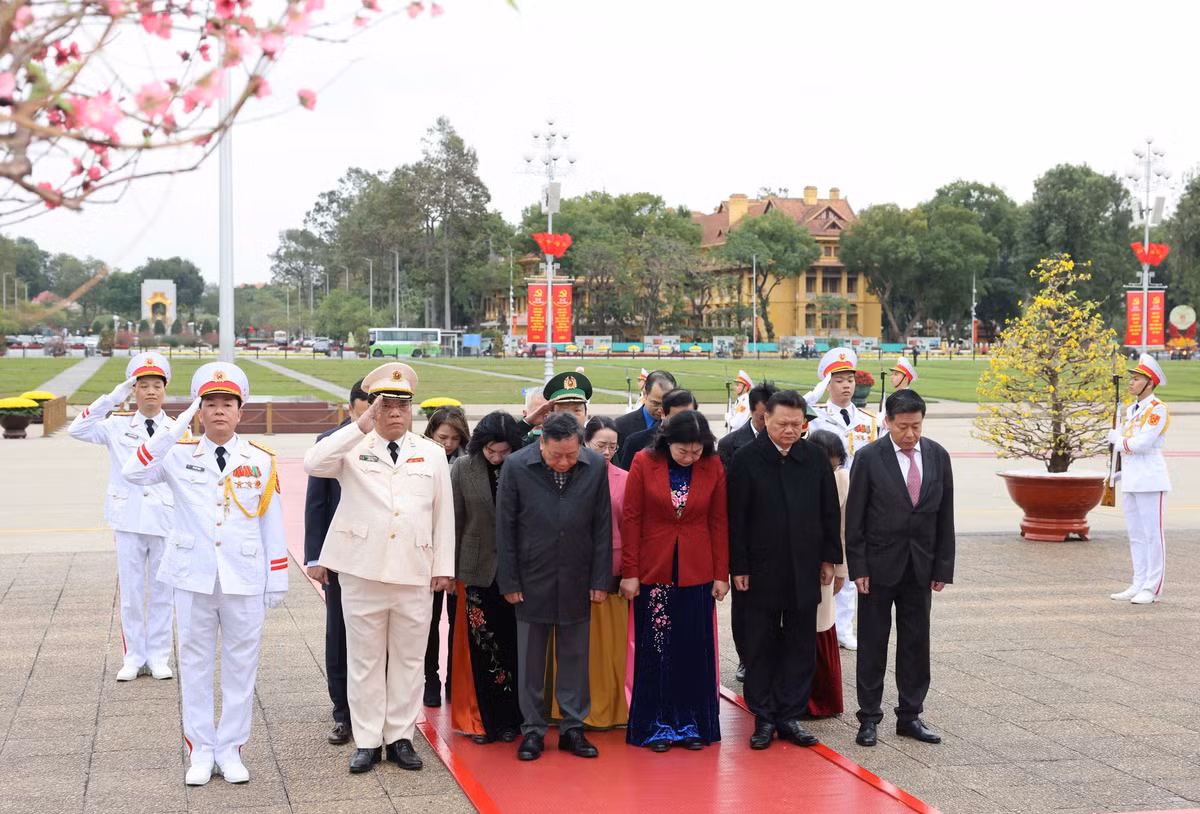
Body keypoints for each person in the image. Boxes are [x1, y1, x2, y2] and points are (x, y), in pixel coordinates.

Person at [122, 362, 287, 786]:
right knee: (194, 665)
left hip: (244, 577)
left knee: (240, 666)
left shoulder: (260, 460)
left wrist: (278, 576)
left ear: (239, 411)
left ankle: (230, 749)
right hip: (193, 575)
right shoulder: (177, 454)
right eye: (209, 404)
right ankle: (200, 750)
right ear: (198, 409)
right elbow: (134, 471)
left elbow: (270, 521)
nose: (218, 411)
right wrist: (174, 429)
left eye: (226, 404)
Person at [303, 362, 454, 774]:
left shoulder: (432, 453)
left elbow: (444, 516)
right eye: (386, 406)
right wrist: (361, 424)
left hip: (414, 571)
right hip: (362, 570)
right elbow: (314, 463)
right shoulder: (352, 445)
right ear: (372, 408)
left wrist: (443, 567)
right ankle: (368, 739)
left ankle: (400, 737)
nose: (394, 414)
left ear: (411, 411)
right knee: (365, 659)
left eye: (401, 407)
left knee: (408, 659)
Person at [727, 390, 841, 751]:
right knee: (759, 643)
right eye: (783, 424)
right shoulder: (747, 458)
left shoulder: (814, 458)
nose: (790, 430)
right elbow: (736, 518)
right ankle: (762, 716)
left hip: (804, 565)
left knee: (800, 643)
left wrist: (829, 560)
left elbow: (829, 514)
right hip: (759, 569)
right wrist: (738, 565)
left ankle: (790, 715)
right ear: (766, 421)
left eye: (797, 424)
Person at [495, 412, 612, 762]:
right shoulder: (516, 466)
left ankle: (572, 728)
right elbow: (505, 527)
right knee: (531, 659)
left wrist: (599, 579)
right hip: (531, 577)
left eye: (571, 455)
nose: (564, 462)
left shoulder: (594, 466)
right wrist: (510, 580)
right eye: (556, 455)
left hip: (577, 576)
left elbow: (602, 526)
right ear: (541, 442)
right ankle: (532, 730)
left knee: (575, 657)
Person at [846, 389, 955, 748]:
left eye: (916, 427)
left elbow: (945, 516)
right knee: (873, 643)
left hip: (919, 567)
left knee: (915, 643)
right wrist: (858, 566)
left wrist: (942, 565)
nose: (910, 435)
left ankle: (910, 715)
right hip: (877, 567)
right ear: (887, 421)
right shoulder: (868, 457)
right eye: (903, 427)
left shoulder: (938, 456)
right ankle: (869, 718)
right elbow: (855, 518)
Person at [621, 410, 729, 751]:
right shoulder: (643, 461)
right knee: (656, 650)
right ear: (668, 443)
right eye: (683, 451)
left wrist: (720, 574)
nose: (690, 457)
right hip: (654, 571)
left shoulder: (712, 465)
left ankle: (692, 724)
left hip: (697, 570)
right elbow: (632, 518)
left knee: (693, 649)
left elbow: (719, 520)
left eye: (697, 451)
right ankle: (656, 726)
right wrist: (630, 573)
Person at [69, 352, 177, 683]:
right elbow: (77, 429)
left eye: (156, 385)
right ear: (133, 390)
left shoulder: (175, 429)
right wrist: (113, 397)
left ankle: (159, 656)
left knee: (162, 592)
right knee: (131, 592)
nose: (150, 392)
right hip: (128, 517)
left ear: (164, 390)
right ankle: (133, 656)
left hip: (164, 519)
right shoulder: (116, 425)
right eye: (142, 385)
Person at [449, 410, 524, 743]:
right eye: (490, 451)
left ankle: (512, 719)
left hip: (514, 570)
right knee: (480, 647)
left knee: (513, 644)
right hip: (475, 569)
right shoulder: (463, 468)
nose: (496, 457)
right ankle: (479, 720)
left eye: (502, 452)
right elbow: (454, 522)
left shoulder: (521, 468)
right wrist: (448, 571)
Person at [304, 378, 370, 746]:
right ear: (351, 410)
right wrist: (315, 557)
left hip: (378, 558)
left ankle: (377, 711)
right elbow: (316, 505)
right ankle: (343, 713)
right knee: (341, 635)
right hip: (340, 559)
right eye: (364, 415)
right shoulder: (328, 445)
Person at [807, 347, 879, 652]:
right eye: (838, 380)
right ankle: (825, 623)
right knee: (827, 563)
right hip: (827, 498)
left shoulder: (869, 419)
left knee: (851, 565)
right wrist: (814, 395)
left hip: (859, 499)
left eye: (850, 379)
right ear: (827, 384)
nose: (847, 385)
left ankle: (845, 626)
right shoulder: (815, 418)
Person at [717, 380, 778, 684]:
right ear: (754, 411)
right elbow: (729, 496)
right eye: (764, 416)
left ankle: (771, 654)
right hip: (743, 537)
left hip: (777, 539)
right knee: (744, 604)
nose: (769, 423)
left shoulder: (787, 439)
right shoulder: (731, 445)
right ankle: (745, 658)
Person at [579, 414, 631, 729]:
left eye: (613, 446)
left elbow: (630, 527)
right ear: (586, 443)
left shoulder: (625, 479)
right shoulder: (569, 473)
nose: (608, 452)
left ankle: (613, 708)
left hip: (613, 570)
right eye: (601, 445)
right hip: (575, 570)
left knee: (611, 648)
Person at [1108, 354, 1170, 605]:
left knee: (1153, 535)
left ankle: (1152, 587)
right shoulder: (1132, 410)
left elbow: (1142, 444)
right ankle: (1138, 582)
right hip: (1132, 478)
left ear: (1150, 383)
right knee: (1135, 535)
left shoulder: (1157, 410)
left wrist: (1118, 441)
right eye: (1132, 379)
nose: (1131, 383)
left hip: (1150, 479)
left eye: (1136, 379)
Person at [422, 405, 471, 707]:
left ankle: (454, 679)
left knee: (456, 622)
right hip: (426, 554)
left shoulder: (468, 463)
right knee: (427, 623)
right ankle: (430, 679)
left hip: (459, 555)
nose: (448, 444)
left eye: (454, 438)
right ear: (430, 433)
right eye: (442, 437)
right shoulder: (420, 457)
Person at [803, 429, 851, 717]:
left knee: (822, 625)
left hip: (825, 564)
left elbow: (843, 531)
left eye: (836, 465)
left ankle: (822, 700)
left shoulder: (843, 480)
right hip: (793, 564)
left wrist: (841, 569)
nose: (831, 471)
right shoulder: (796, 475)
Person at [620, 388, 697, 469]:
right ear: (663, 413)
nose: (684, 423)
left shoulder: (701, 444)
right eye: (677, 417)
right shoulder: (636, 443)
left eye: (689, 417)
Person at [614, 369, 676, 451]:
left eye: (666, 404)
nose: (661, 410)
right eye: (656, 403)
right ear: (645, 394)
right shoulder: (621, 426)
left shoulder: (681, 425)